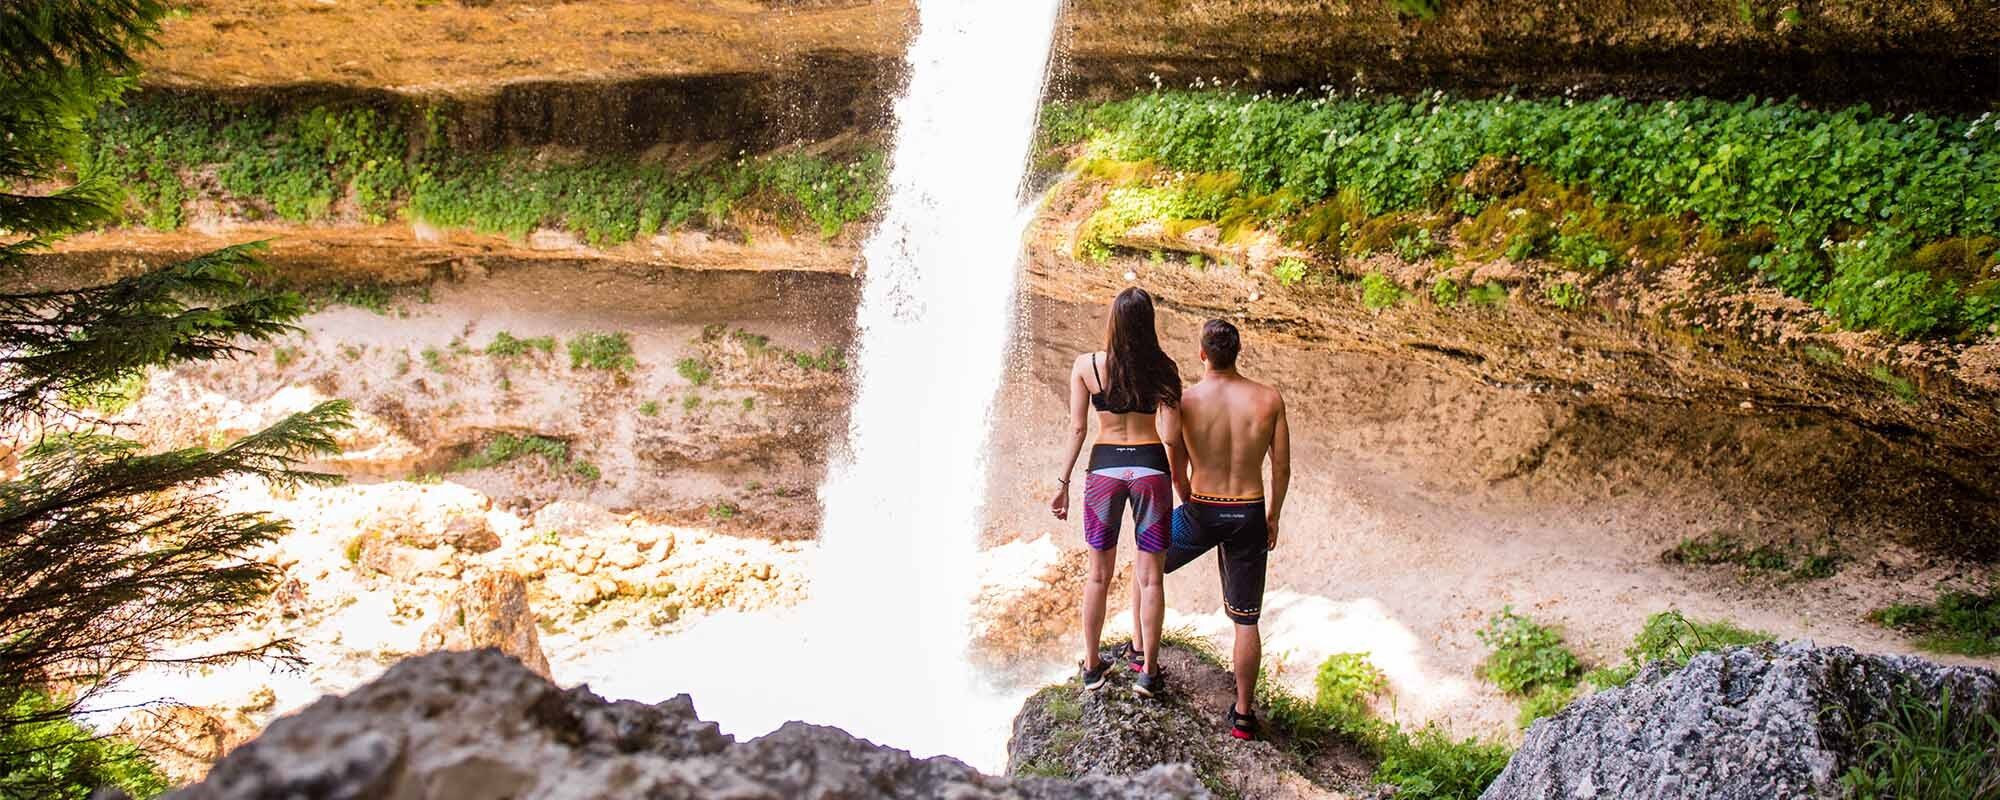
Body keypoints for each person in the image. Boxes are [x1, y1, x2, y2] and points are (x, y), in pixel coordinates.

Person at [1051, 287, 1185, 699]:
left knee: (1097, 575)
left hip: (1104, 470)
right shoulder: (1164, 368)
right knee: (1150, 579)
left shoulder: (1087, 365)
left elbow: (1078, 428)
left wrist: (1063, 482)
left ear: (1113, 320)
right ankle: (1147, 672)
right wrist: (1183, 484)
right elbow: (1172, 436)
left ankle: (1092, 667)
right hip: (1150, 469)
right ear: (1149, 322)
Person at [1165, 319, 1290, 740]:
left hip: (1203, 507)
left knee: (1149, 561)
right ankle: (1242, 716)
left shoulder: (1187, 401)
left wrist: (1188, 503)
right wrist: (1273, 516)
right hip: (1249, 512)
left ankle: (1141, 655)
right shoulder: (1268, 399)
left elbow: (1177, 470)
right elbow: (1282, 466)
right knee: (1246, 619)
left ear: (1202, 354)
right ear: (1238, 353)